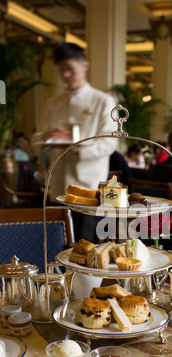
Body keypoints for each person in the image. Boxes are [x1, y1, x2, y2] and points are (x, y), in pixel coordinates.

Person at [32, 43, 117, 241]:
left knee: (83, 243)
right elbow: (36, 138)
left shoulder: (102, 101)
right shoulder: (53, 103)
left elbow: (109, 144)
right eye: (62, 70)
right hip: (56, 185)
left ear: (84, 65)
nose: (66, 75)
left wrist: (77, 147)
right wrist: (46, 137)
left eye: (70, 69)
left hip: (87, 186)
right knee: (55, 242)